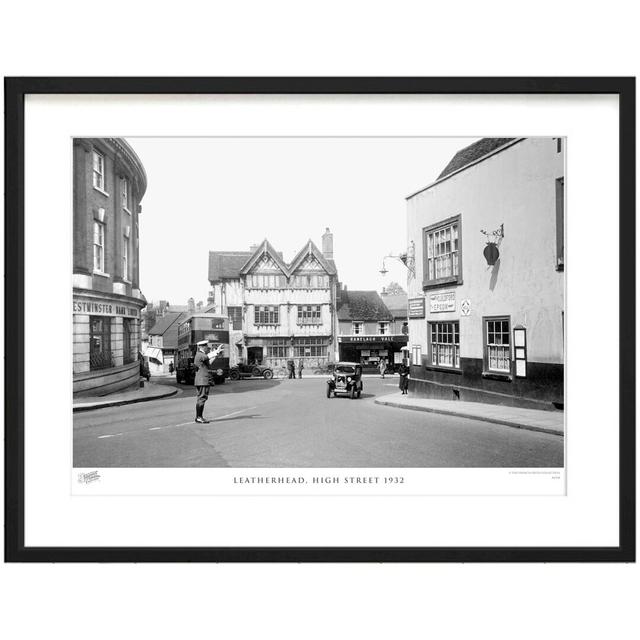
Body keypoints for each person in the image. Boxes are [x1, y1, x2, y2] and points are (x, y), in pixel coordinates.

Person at [193, 340, 221, 424]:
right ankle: (199, 417)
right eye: (206, 347)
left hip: (201, 380)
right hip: (202, 380)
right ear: (202, 347)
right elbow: (207, 357)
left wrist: (216, 355)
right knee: (202, 398)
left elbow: (209, 362)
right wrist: (216, 351)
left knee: (201, 398)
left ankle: (198, 417)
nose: (207, 348)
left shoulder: (201, 355)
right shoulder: (200, 355)